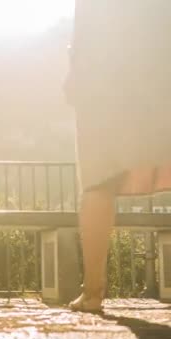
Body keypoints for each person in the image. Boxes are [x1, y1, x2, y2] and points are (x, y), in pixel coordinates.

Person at [66, 0, 171, 312]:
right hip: (160, 63)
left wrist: (75, 70)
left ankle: (94, 293)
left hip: (104, 79)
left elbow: (86, 21)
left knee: (98, 179)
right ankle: (92, 292)